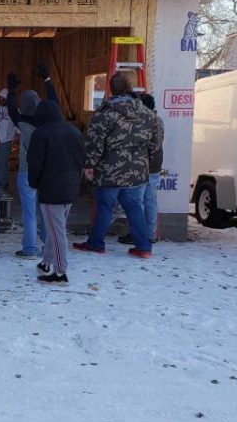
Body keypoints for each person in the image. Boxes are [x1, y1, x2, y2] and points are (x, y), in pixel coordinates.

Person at [74, 73, 161, 259]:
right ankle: (144, 248)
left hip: (109, 173)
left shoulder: (104, 115)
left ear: (111, 89)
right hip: (137, 173)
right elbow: (155, 144)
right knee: (135, 208)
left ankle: (96, 244)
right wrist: (143, 161)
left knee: (105, 207)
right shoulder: (148, 115)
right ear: (131, 88)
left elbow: (94, 143)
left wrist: (89, 165)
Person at [28, 99, 85, 284]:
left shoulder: (41, 134)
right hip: (71, 186)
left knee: (57, 232)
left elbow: (35, 164)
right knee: (56, 229)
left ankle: (60, 272)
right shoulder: (74, 131)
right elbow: (82, 159)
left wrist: (34, 183)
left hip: (51, 189)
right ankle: (46, 263)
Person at [7, 63, 58, 258]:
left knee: (29, 212)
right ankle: (47, 244)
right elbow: (54, 102)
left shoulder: (22, 122)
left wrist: (12, 90)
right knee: (46, 210)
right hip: (47, 172)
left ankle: (29, 249)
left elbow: (12, 109)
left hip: (27, 171)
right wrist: (47, 80)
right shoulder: (50, 122)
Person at [119, 93, 164, 245]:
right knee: (150, 201)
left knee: (137, 202)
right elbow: (156, 145)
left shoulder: (144, 121)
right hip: (155, 166)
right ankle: (150, 235)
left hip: (142, 167)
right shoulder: (158, 120)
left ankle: (138, 235)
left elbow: (145, 145)